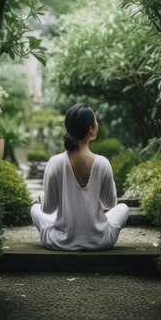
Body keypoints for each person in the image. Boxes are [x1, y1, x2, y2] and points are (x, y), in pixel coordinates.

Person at [30, 103, 129, 250]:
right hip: (100, 241)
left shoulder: (55, 162)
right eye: (96, 121)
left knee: (35, 209)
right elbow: (110, 204)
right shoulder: (103, 163)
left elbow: (48, 209)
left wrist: (43, 199)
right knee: (123, 208)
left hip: (60, 241)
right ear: (90, 128)